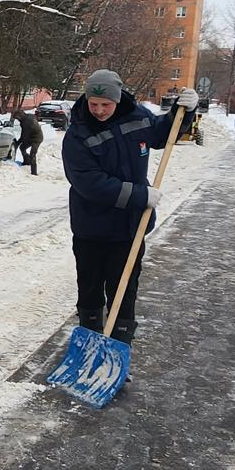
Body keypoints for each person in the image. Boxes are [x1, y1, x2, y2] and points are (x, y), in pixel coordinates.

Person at [62, 68, 175, 345]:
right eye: (94, 104)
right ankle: (89, 343)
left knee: (124, 290)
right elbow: (89, 183)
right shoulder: (78, 134)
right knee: (89, 289)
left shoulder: (138, 117)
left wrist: (183, 112)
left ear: (117, 99)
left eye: (106, 104)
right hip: (92, 227)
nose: (99, 110)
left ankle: (118, 349)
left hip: (128, 229)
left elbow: (164, 133)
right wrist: (140, 196)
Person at [13, 106, 44, 175]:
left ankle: (34, 171)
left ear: (20, 116)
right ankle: (27, 161)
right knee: (23, 147)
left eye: (17, 118)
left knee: (32, 153)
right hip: (31, 136)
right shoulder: (29, 116)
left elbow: (24, 136)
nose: (17, 120)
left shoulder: (26, 122)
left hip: (37, 138)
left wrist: (17, 143)